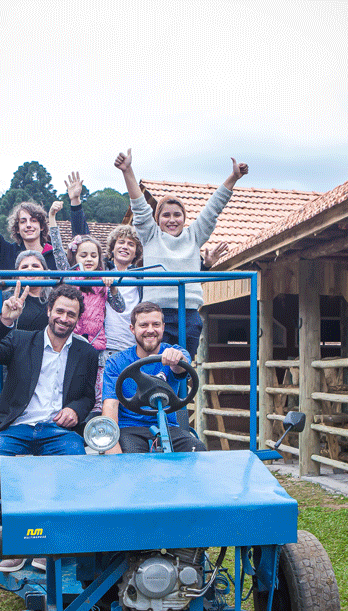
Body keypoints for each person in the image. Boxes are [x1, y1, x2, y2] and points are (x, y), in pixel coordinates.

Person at [114, 148, 248, 354]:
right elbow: (139, 206)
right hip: (157, 313)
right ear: (157, 219)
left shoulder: (194, 236)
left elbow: (213, 208)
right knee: (156, 365)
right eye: (166, 215)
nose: (172, 220)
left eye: (177, 215)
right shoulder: (151, 236)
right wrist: (127, 171)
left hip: (189, 313)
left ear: (184, 218)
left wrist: (233, 178)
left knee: (183, 367)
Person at [0, 283, 98, 487]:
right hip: (15, 427)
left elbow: (87, 397)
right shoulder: (20, 340)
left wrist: (74, 410)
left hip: (58, 432)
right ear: (49, 310)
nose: (64, 318)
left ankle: (48, 512)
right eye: (60, 311)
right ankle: (21, 504)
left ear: (78, 319)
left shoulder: (87, 353)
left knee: (78, 474)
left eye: (71, 314)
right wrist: (4, 320)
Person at [101, 301, 206, 454]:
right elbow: (110, 405)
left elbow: (181, 368)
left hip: (167, 427)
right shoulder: (117, 362)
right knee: (132, 458)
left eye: (156, 324)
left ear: (163, 327)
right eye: (143, 325)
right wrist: (111, 444)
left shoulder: (173, 352)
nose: (150, 330)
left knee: (196, 449)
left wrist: (177, 360)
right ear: (132, 329)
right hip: (130, 428)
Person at [0, 150, 89, 270]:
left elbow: (83, 241)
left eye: (33, 220)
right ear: (17, 228)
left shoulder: (57, 255)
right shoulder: (6, 253)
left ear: (41, 227)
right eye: (23, 221)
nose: (28, 225)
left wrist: (75, 201)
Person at [102, 225, 143, 358]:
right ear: (112, 248)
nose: (125, 247)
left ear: (136, 252)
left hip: (132, 345)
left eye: (131, 244)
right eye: (121, 242)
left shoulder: (141, 277)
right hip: (106, 344)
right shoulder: (102, 272)